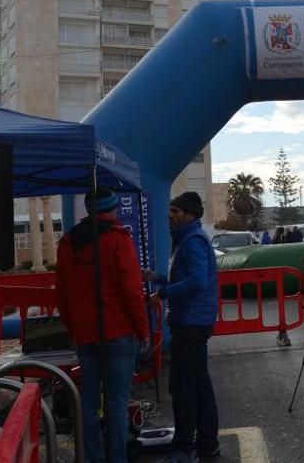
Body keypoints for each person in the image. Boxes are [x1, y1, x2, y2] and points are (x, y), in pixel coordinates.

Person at [56, 188, 148, 463]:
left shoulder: (67, 243)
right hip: (118, 332)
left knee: (89, 402)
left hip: (85, 334)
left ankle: (92, 457)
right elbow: (131, 290)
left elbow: (61, 293)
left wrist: (72, 330)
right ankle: (118, 458)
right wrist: (142, 329)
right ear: (113, 208)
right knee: (117, 403)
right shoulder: (119, 240)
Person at [143, 192, 220, 461]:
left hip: (191, 324)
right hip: (192, 322)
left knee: (183, 387)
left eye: (175, 211)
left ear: (189, 214)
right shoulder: (186, 240)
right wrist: (159, 278)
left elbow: (198, 281)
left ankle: (184, 449)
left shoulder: (192, 242)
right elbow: (186, 277)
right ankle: (208, 444)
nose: (170, 215)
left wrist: (164, 294)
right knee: (199, 384)